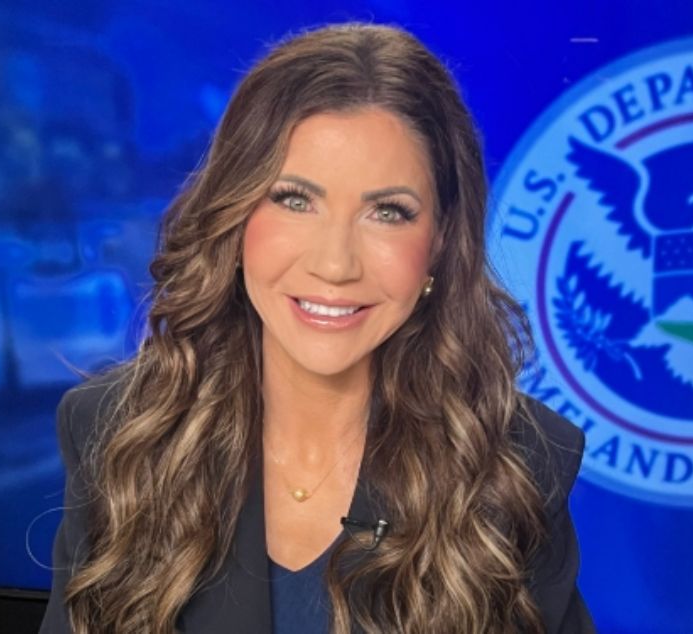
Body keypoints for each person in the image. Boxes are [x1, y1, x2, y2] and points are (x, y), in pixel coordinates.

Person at [40, 22, 594, 634]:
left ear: (439, 240)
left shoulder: (517, 465)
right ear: (235, 212)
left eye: (388, 212)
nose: (335, 265)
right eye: (295, 200)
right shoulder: (118, 434)